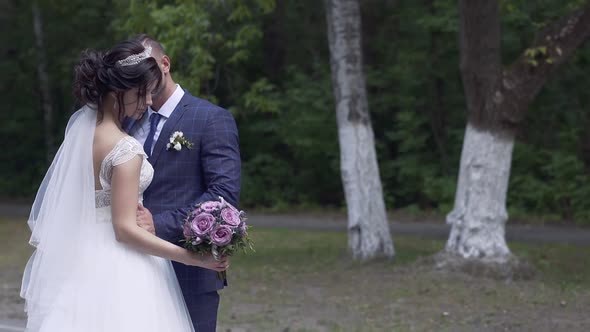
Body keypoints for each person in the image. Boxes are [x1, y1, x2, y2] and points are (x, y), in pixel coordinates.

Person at [20, 39, 227, 332]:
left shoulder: (84, 135)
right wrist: (193, 258)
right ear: (123, 90)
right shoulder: (125, 149)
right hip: (124, 268)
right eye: (144, 94)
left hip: (83, 261)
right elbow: (125, 230)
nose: (149, 102)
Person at [126, 34, 241, 332]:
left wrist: (158, 224)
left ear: (165, 63)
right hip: (127, 268)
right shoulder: (126, 121)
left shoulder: (211, 119)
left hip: (187, 270)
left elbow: (223, 194)